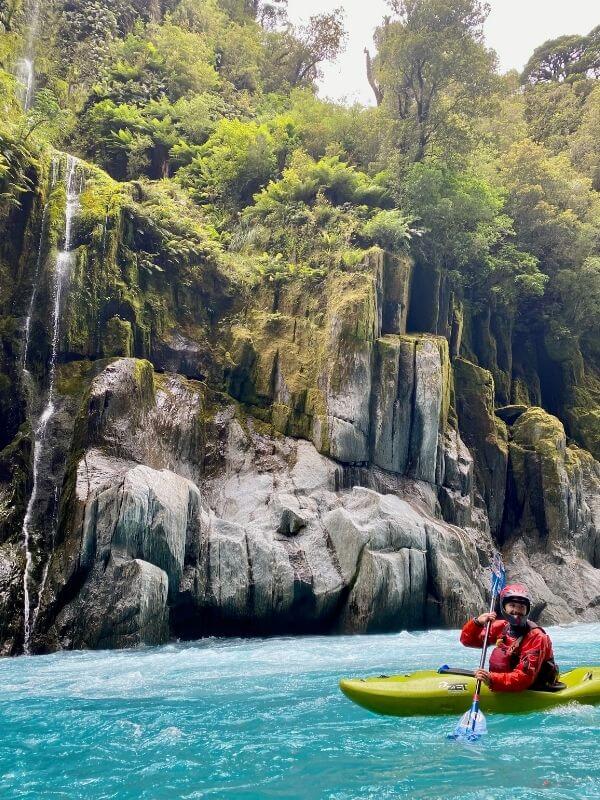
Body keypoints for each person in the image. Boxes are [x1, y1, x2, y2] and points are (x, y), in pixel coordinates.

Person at [460, 583, 560, 692]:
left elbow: (524, 677)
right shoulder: (502, 627)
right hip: (501, 683)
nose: (516, 611)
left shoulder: (537, 637)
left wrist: (492, 679)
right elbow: (468, 641)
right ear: (504, 608)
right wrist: (477, 623)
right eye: (512, 605)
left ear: (527, 610)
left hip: (535, 688)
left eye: (521, 607)